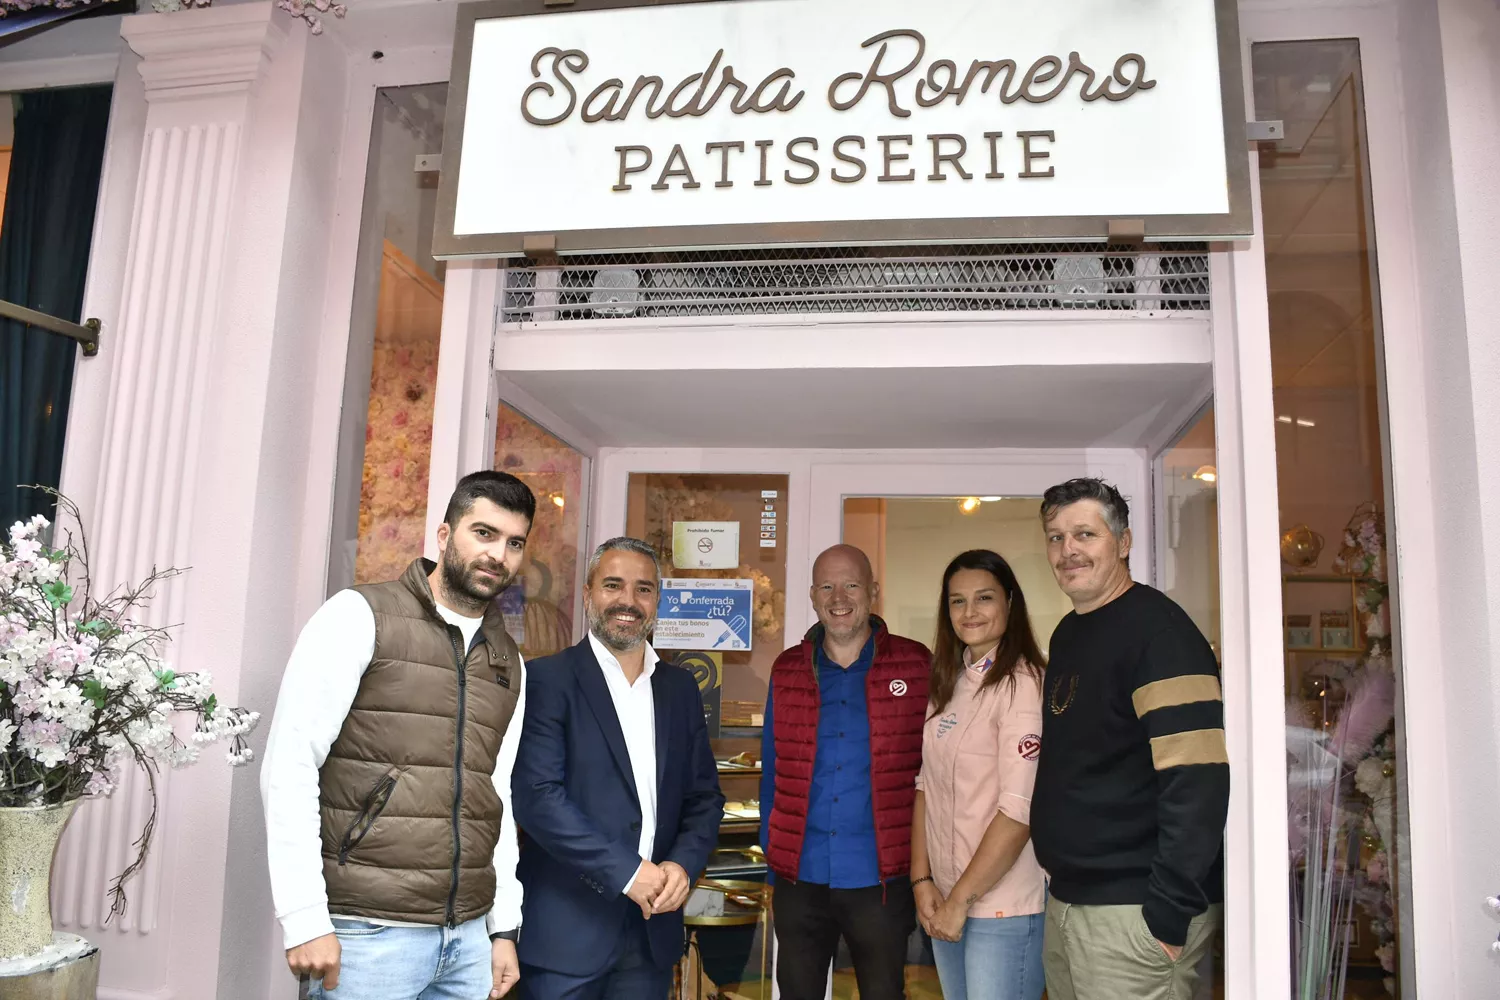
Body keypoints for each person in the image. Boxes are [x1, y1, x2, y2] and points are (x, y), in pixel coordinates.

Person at [261, 470, 536, 999]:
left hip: (469, 940)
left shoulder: (509, 660)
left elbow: (495, 796)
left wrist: (503, 927)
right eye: (484, 533)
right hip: (369, 932)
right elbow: (290, 765)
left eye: (514, 543)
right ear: (444, 535)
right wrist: (304, 917)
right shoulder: (359, 616)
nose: (498, 554)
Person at [1030, 478, 1229, 1000]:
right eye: (1055, 537)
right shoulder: (1070, 633)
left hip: (1135, 911)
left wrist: (1168, 913)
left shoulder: (1160, 635)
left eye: (1084, 534)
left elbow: (1198, 779)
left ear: (1123, 542)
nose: (1068, 550)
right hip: (1072, 901)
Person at [512, 537, 724, 1000]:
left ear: (657, 601)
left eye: (643, 589)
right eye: (613, 585)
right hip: (566, 938)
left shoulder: (680, 689)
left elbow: (704, 798)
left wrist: (682, 867)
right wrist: (628, 873)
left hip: (651, 935)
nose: (628, 600)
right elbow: (538, 798)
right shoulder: (547, 679)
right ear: (588, 593)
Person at [759, 544, 930, 1000]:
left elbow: (935, 773)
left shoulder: (917, 665)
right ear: (813, 596)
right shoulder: (787, 669)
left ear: (873, 591)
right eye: (827, 587)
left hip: (881, 880)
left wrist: (924, 872)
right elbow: (772, 771)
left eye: (851, 584)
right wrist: (773, 861)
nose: (839, 598)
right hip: (800, 876)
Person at [911, 550, 1048, 1000]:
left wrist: (959, 901)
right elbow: (925, 787)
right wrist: (922, 881)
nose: (969, 612)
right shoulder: (947, 682)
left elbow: (1019, 812)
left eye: (984, 598)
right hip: (946, 898)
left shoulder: (1024, 684)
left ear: (1010, 602)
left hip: (1002, 906)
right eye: (957, 601)